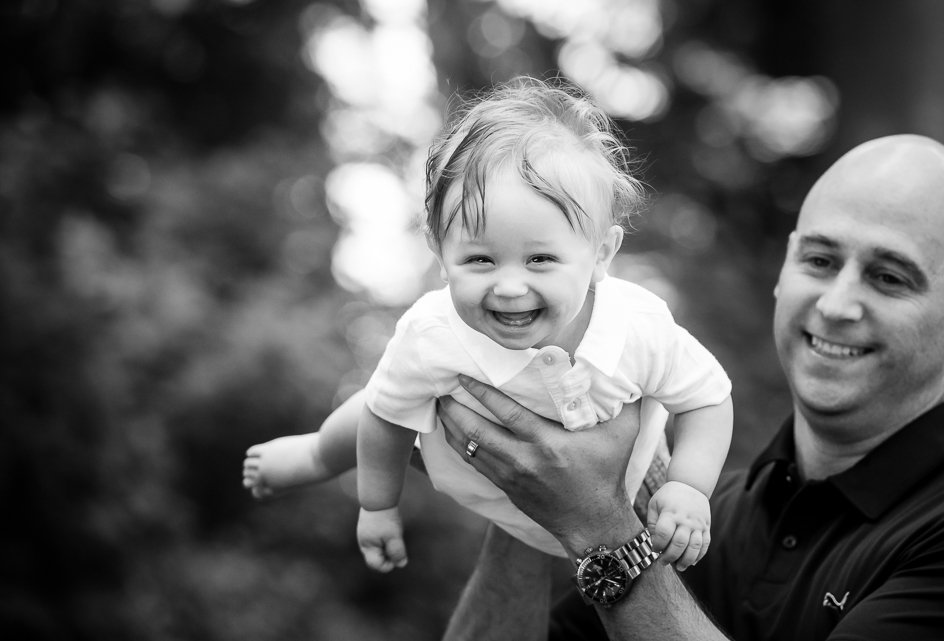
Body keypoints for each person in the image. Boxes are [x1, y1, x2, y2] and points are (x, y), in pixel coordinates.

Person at [435, 133, 944, 640]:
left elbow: (596, 521)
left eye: (889, 278)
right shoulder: (702, 509)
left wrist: (599, 525)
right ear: (785, 269)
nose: (835, 305)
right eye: (820, 261)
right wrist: (530, 479)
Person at [243, 78, 734, 575]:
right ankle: (315, 456)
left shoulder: (637, 326)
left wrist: (689, 487)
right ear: (440, 254)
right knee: (380, 404)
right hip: (478, 472)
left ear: (601, 254)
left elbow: (707, 398)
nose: (510, 288)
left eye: (541, 259)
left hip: (627, 484)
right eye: (480, 259)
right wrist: (377, 507)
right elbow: (385, 418)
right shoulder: (433, 332)